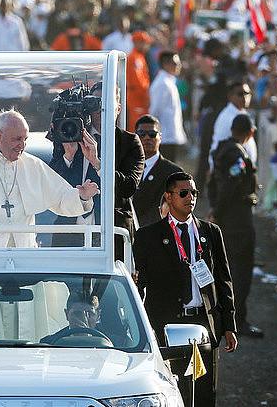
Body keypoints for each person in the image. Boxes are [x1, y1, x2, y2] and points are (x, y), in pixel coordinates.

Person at [133, 171, 237, 407]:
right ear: (168, 197)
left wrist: (229, 325)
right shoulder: (148, 236)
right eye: (183, 193)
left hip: (203, 323)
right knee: (171, 389)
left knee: (203, 392)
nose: (190, 197)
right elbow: (140, 285)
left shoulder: (210, 233)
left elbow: (223, 280)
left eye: (193, 193)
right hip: (167, 324)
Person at [0, 110, 98, 248]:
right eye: (17, 139)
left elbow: (59, 199)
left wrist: (81, 196)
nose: (22, 146)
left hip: (24, 254)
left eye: (25, 139)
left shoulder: (32, 164)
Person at [49, 82, 144, 255]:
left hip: (111, 234)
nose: (102, 108)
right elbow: (51, 183)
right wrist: (68, 156)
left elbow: (128, 188)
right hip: (70, 232)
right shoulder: (70, 133)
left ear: (118, 108)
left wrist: (98, 163)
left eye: (108, 102)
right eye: (96, 102)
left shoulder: (129, 142)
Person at [210, 113, 262, 337]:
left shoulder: (224, 149)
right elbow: (231, 185)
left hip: (230, 217)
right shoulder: (235, 154)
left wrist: (216, 210)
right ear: (249, 134)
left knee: (229, 268)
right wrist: (217, 212)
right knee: (240, 271)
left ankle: (230, 316)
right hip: (237, 220)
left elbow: (214, 183)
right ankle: (236, 319)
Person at [131, 115, 182, 228]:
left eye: (152, 134)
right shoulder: (126, 167)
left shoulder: (173, 173)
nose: (147, 138)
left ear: (160, 137)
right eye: (142, 134)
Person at [209, 81, 257, 169]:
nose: (244, 97)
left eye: (247, 93)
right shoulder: (226, 118)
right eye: (240, 94)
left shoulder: (242, 113)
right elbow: (218, 148)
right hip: (232, 172)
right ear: (230, 96)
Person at [148, 51, 187, 161]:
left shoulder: (169, 81)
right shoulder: (162, 83)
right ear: (165, 64)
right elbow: (155, 110)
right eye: (175, 63)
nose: (179, 66)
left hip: (169, 135)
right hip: (164, 136)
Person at [40, 291, 108, 345]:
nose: (84, 319)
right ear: (67, 314)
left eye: (89, 314)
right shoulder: (49, 343)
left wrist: (86, 337)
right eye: (77, 313)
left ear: (98, 316)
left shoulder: (112, 344)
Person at [126, 31, 153, 130]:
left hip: (138, 96)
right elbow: (138, 82)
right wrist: (147, 97)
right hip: (137, 97)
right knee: (137, 126)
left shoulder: (139, 57)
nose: (147, 45)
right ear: (138, 43)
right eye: (145, 43)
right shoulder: (135, 58)